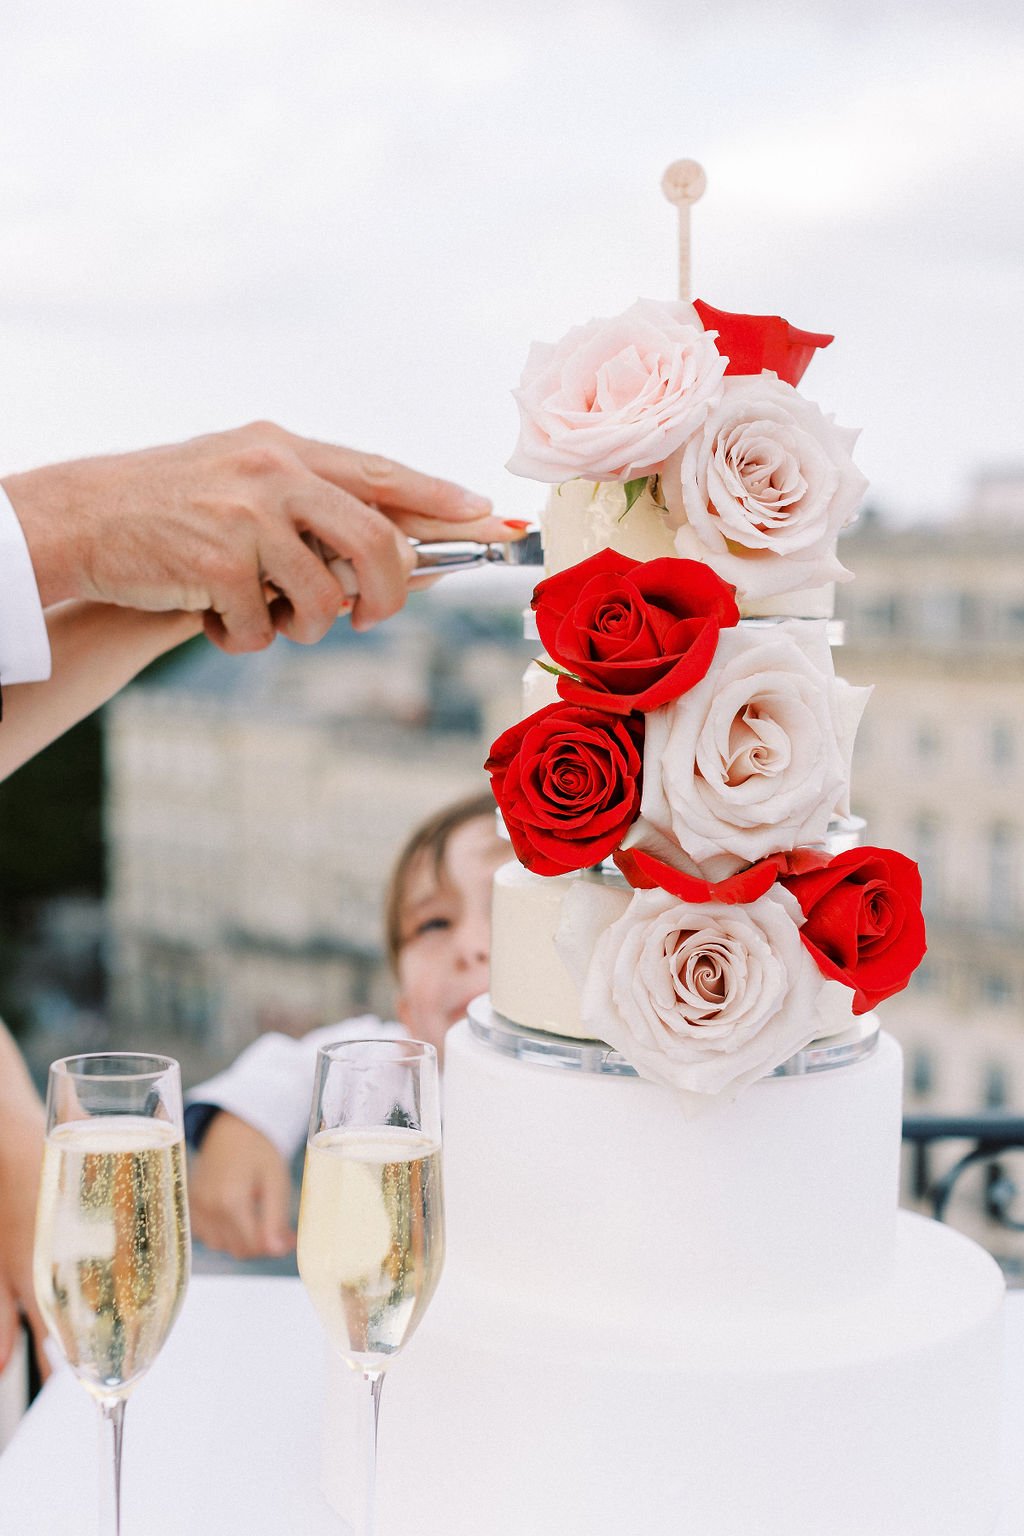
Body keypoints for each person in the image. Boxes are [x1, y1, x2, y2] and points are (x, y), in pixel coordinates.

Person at [0, 420, 513, 1376]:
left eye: (511, 920)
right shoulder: (400, 1054)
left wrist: (173, 584)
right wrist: (72, 530)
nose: (474, 950)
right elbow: (317, 1060)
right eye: (434, 922)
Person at [186, 791, 504, 1262]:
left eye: (511, 907)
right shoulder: (402, 1071)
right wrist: (238, 1123)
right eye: (435, 923)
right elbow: (300, 1064)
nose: (471, 946)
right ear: (407, 1011)